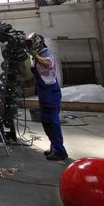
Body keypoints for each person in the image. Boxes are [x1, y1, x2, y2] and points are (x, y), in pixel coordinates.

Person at [27, 32, 68, 161]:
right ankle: (54, 147)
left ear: (38, 42)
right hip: (43, 92)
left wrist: (35, 56)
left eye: (32, 43)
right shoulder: (38, 56)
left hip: (50, 92)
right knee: (46, 122)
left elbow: (48, 63)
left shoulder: (46, 54)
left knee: (52, 122)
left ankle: (60, 151)